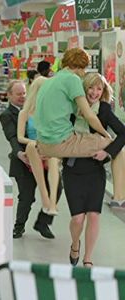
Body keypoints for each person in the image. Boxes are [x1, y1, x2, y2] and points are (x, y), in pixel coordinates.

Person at [30, 48, 125, 203]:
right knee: (115, 146)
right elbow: (89, 116)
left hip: (43, 141)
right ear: (81, 67)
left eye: (98, 89)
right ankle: (120, 198)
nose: (83, 74)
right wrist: (106, 136)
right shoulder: (72, 79)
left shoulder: (50, 81)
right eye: (84, 69)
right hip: (62, 143)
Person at [64, 72, 125, 268]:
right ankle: (75, 244)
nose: (95, 92)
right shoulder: (71, 108)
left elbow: (123, 133)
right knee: (77, 218)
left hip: (94, 170)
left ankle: (88, 258)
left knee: (93, 215)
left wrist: (107, 153)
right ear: (83, 88)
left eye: (99, 89)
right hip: (72, 168)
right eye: (91, 87)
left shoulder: (105, 110)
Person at [0, 80, 61, 239]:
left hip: (45, 157)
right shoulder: (7, 115)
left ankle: (43, 222)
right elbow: (13, 137)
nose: (22, 96)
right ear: (9, 95)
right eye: (18, 94)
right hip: (23, 161)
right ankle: (19, 227)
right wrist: (20, 154)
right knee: (27, 196)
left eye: (24, 93)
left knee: (57, 188)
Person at [18, 76, 60, 215]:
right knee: (31, 146)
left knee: (53, 158)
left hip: (48, 147)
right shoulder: (24, 113)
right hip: (33, 148)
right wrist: (35, 142)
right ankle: (45, 198)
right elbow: (20, 137)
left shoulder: (52, 112)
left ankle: (52, 202)